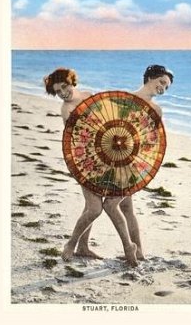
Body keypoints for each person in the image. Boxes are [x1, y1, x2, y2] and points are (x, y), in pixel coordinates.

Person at [44, 65, 173, 267]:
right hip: (93, 157)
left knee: (125, 207)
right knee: (96, 208)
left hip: (124, 158)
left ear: (72, 83)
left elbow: (149, 137)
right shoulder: (121, 98)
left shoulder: (154, 108)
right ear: (150, 78)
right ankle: (83, 245)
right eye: (162, 83)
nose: (163, 89)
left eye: (166, 87)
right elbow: (80, 135)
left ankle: (135, 251)